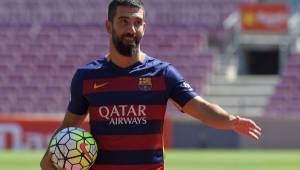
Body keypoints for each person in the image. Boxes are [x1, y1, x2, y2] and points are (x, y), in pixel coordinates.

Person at [40, 0, 262, 169]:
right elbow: (68, 127)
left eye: (137, 22)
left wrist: (230, 120)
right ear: (109, 26)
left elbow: (200, 108)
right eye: (124, 21)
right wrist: (50, 155)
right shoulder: (86, 77)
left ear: (144, 27)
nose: (131, 29)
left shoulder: (163, 74)